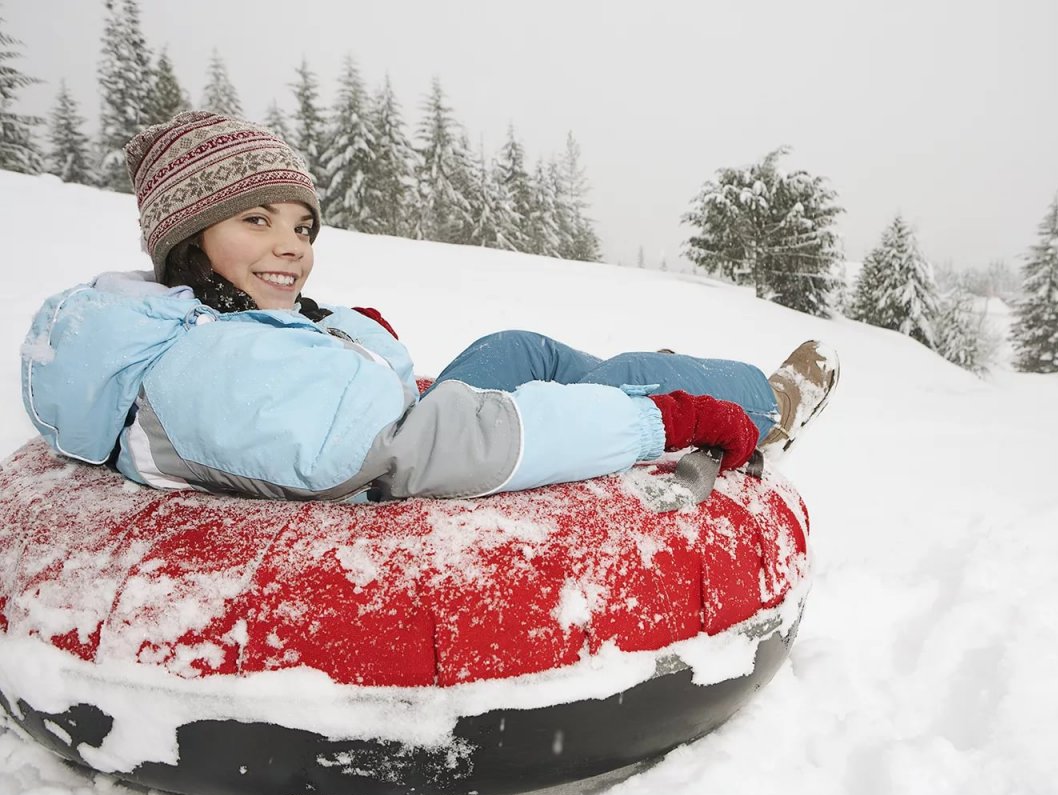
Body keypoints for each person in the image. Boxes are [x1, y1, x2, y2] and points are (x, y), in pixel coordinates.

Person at [20, 111, 838, 502]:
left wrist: (345, 334)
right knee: (633, 386)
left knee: (518, 345)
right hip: (412, 452)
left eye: (303, 225)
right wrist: (664, 420)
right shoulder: (211, 366)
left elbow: (278, 375)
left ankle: (641, 374)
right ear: (189, 238)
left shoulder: (175, 322)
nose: (294, 247)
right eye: (257, 220)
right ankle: (756, 402)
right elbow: (420, 451)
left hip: (391, 415)